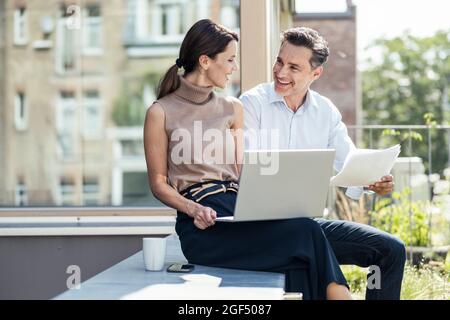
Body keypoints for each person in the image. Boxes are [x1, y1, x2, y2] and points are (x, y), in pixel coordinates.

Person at [144, 19, 353, 300]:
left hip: (237, 211)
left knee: (302, 248)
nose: (235, 67)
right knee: (305, 234)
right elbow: (158, 183)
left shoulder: (233, 108)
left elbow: (245, 172)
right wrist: (193, 209)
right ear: (205, 61)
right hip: (201, 224)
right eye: (230, 59)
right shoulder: (160, 112)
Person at [240, 26, 407, 300]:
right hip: (262, 231)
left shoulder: (325, 112)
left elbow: (349, 162)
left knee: (391, 250)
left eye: (294, 67)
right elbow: (249, 171)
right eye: (279, 62)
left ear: (315, 74)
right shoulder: (252, 104)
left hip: (310, 227)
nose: (281, 72)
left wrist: (372, 180)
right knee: (304, 245)